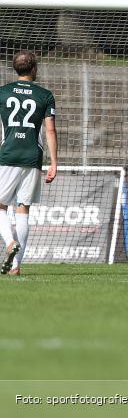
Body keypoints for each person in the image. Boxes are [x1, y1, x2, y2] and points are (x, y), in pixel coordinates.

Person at [0, 51, 58, 276]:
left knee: (1, 206)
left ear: (16, 69)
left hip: (7, 154)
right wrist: (54, 162)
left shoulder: (3, 93)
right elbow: (50, 130)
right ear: (34, 68)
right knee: (23, 209)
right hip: (33, 156)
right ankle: (16, 266)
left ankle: (8, 242)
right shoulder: (45, 95)